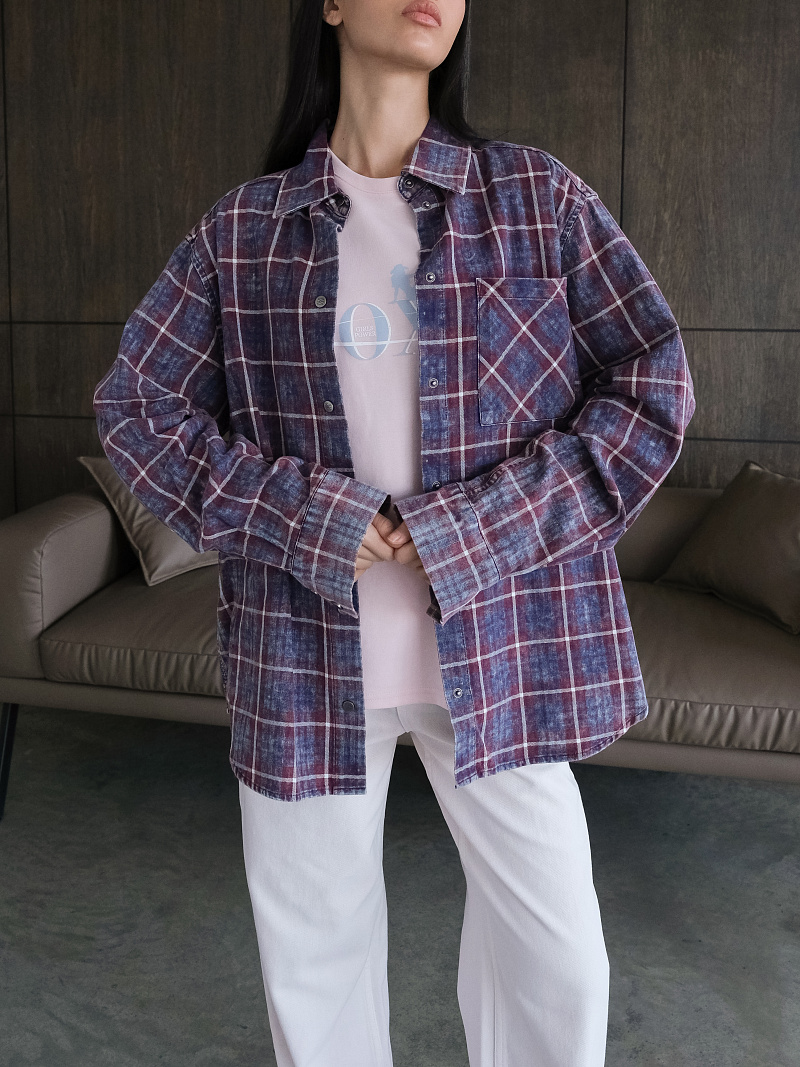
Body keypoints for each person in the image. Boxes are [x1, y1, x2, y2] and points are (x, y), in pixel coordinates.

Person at [93, 0, 696, 1063]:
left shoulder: (534, 198)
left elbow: (651, 389)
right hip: (303, 654)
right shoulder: (243, 231)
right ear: (329, 3)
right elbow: (137, 409)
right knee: (314, 963)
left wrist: (473, 528)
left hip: (502, 644)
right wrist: (309, 515)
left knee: (556, 962)